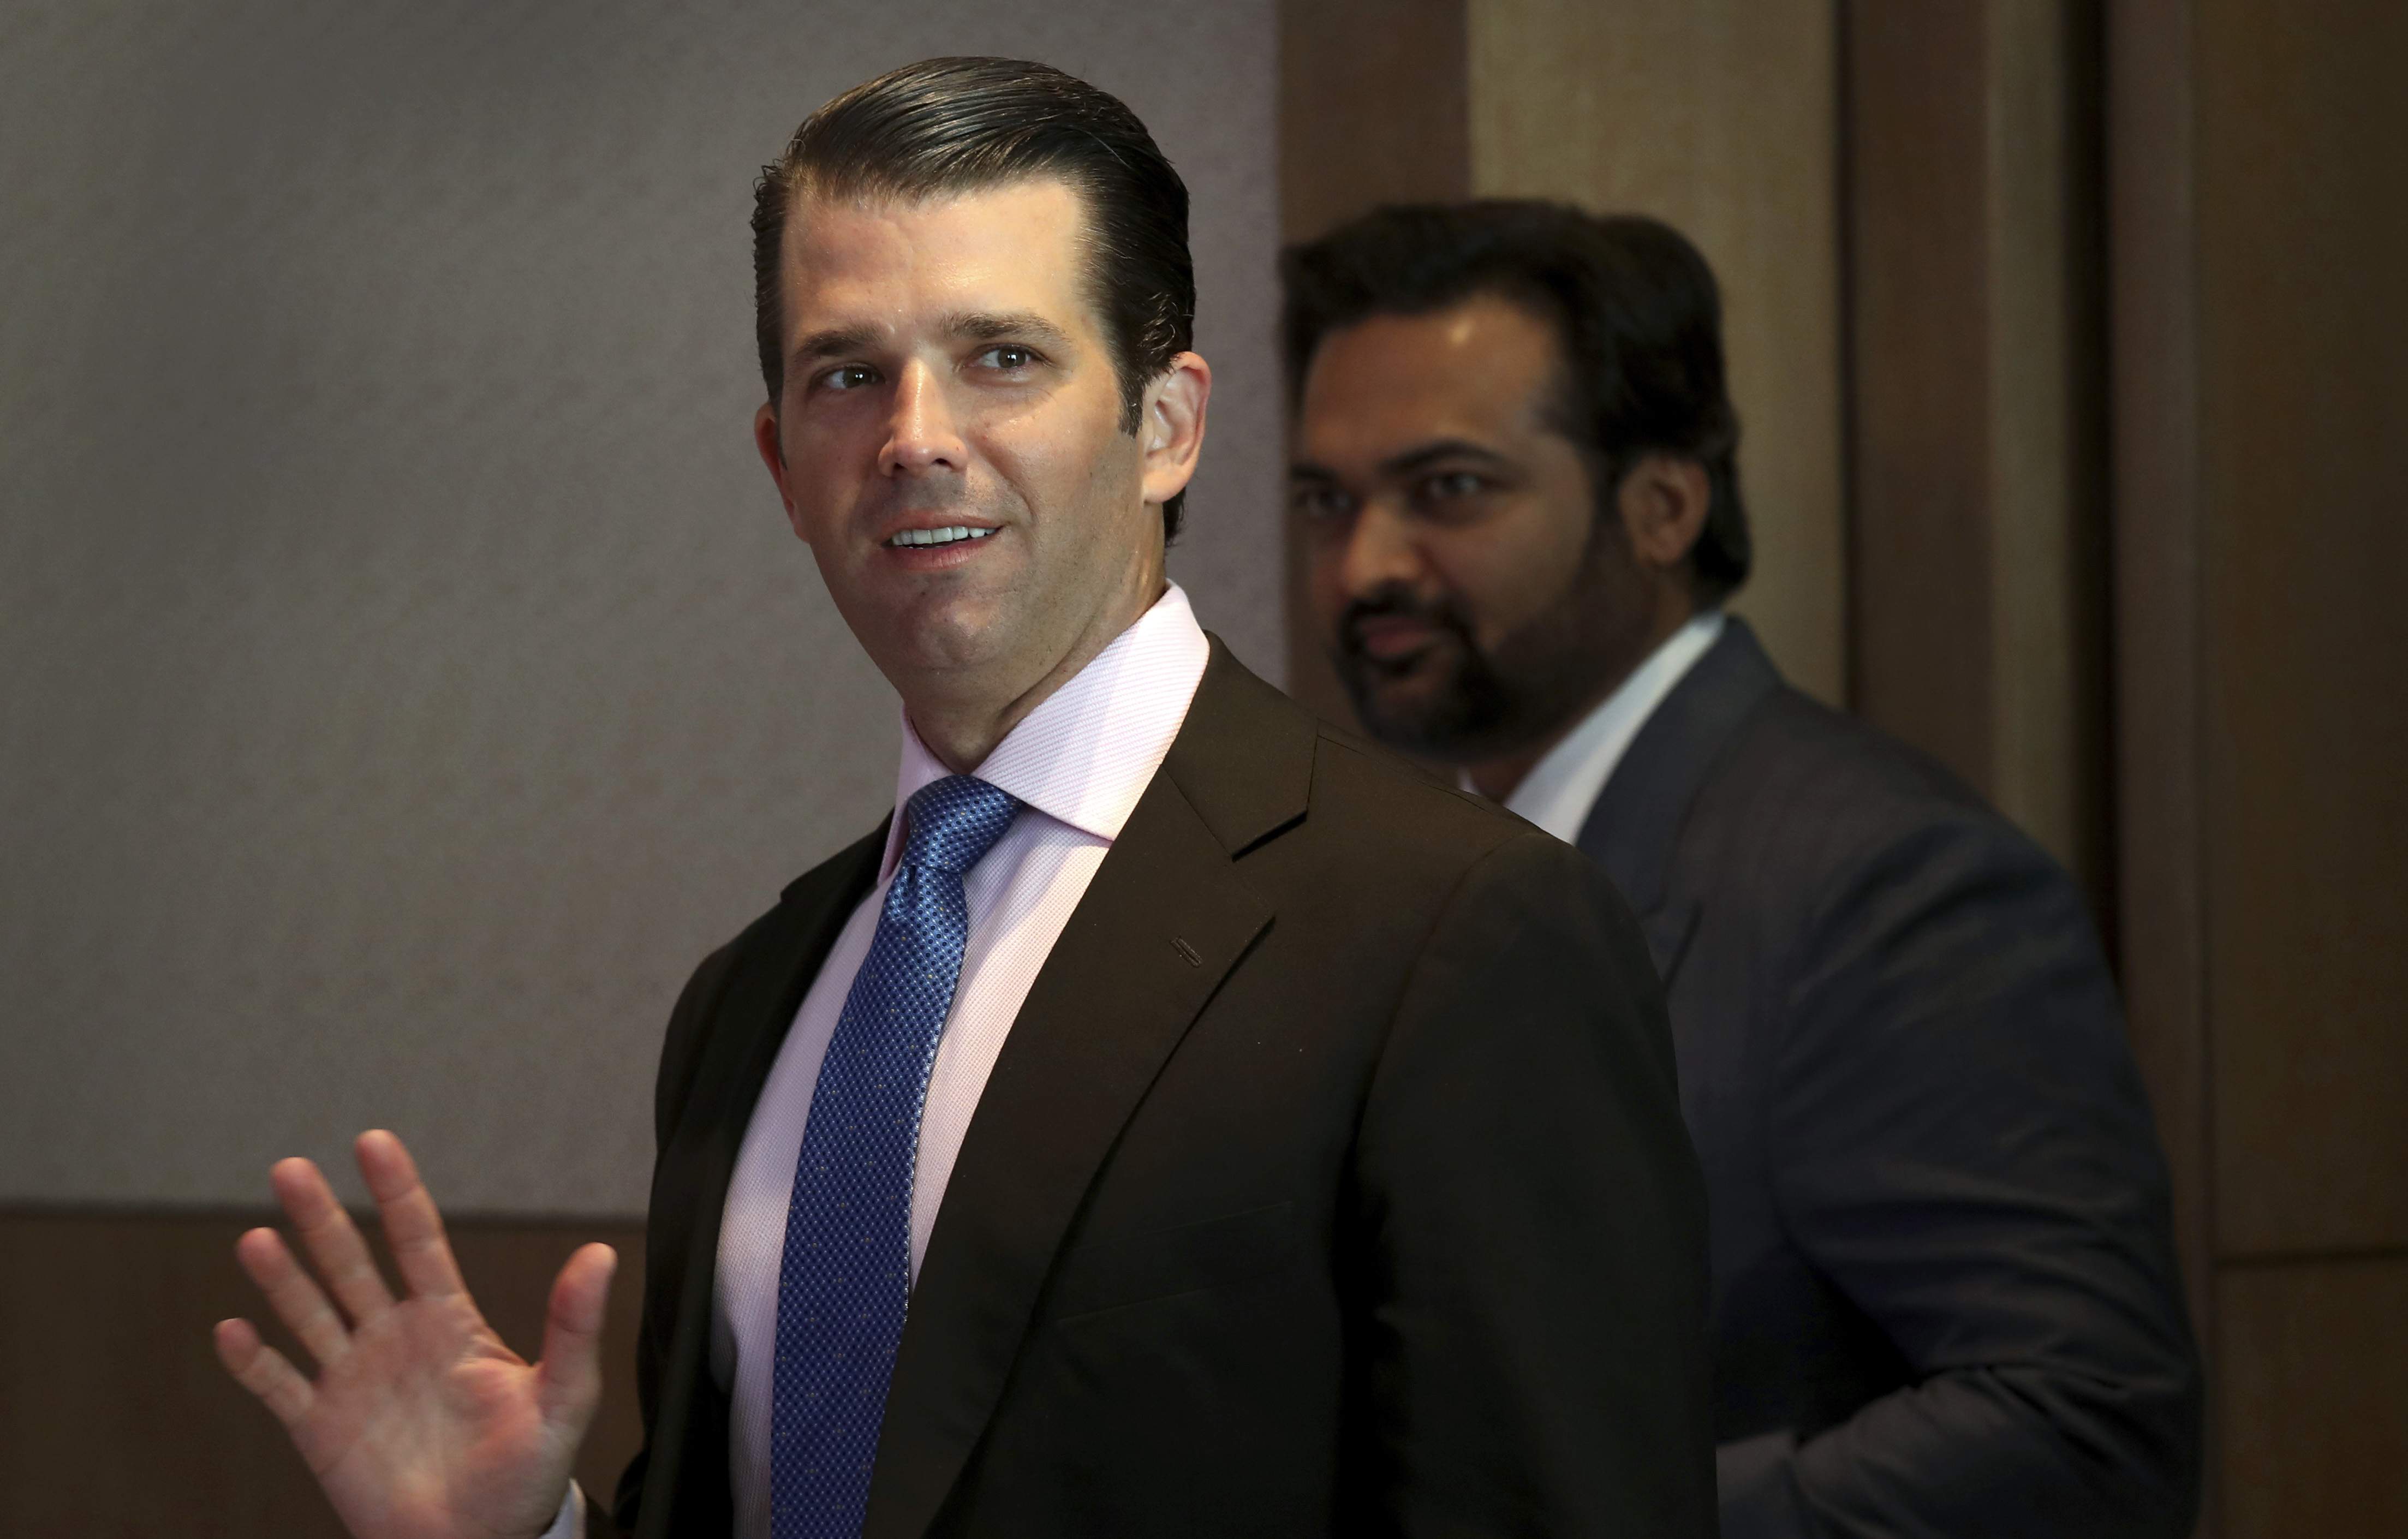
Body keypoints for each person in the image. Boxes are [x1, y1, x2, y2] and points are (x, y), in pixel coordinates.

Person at [214, 62, 1716, 1539]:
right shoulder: (751, 999)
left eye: (1002, 356)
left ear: (1166, 425)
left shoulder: (1454, 934)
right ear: (783, 466)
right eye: (846, 373)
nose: (913, 433)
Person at [1282, 201, 2202, 1538]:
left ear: (1661, 506)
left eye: (1449, 491)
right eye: (1328, 500)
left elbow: (2087, 1422)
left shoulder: (1884, 882)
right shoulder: (1409, 876)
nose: (1366, 565)